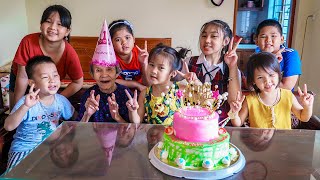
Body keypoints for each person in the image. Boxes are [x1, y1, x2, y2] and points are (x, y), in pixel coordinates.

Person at [4, 55, 75, 170]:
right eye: (45, 77)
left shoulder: (61, 101)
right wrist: (26, 107)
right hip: (24, 149)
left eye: (55, 75)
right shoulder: (26, 102)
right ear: (32, 83)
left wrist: (87, 112)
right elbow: (8, 126)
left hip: (51, 149)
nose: (52, 80)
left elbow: (75, 121)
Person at [9, 4, 83, 110]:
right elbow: (23, 77)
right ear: (40, 25)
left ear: (67, 31)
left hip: (46, 86)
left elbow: (78, 82)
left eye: (60, 24)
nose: (53, 27)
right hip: (22, 80)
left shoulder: (69, 52)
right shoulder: (28, 41)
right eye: (48, 21)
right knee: (15, 114)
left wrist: (57, 99)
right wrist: (17, 109)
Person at [229, 52, 314, 129]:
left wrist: (307, 107)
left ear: (279, 75)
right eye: (260, 77)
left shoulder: (288, 95)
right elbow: (238, 123)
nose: (267, 81)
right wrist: (234, 113)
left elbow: (304, 117)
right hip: (258, 144)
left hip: (284, 143)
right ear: (253, 81)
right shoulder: (250, 100)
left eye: (271, 75)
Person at [183, 19, 242, 122]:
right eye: (204, 36)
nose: (207, 40)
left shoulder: (232, 69)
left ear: (226, 41)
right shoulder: (189, 63)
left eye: (214, 36)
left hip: (220, 126)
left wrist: (232, 66)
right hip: (192, 123)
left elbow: (234, 101)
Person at [77, 20, 133, 123]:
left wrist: (117, 117)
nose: (104, 74)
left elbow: (132, 132)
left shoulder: (125, 94)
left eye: (109, 69)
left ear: (117, 72)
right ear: (92, 74)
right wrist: (87, 114)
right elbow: (78, 131)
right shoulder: (89, 95)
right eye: (98, 70)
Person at [125, 44, 190, 125]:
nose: (154, 71)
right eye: (151, 65)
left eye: (161, 68)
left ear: (173, 73)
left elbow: (206, 101)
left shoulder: (180, 90)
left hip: (175, 136)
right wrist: (133, 111)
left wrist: (195, 82)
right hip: (152, 136)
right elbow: (137, 122)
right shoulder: (145, 93)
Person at [255, 19, 301, 90]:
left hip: (282, 99)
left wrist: (271, 63)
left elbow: (286, 87)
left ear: (282, 39)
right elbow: (249, 84)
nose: (268, 40)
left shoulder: (290, 55)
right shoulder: (256, 56)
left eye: (273, 36)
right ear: (257, 41)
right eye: (263, 36)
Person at [109, 19, 148, 91]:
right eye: (118, 39)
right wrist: (136, 84)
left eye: (127, 38)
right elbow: (111, 81)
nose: (124, 42)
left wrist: (144, 64)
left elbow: (147, 84)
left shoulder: (140, 55)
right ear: (111, 44)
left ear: (133, 39)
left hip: (139, 92)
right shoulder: (110, 57)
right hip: (118, 91)